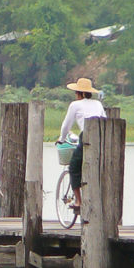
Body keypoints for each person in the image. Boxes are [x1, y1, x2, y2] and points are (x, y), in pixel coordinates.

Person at [55, 77, 106, 211]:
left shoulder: (75, 105)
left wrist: (61, 138)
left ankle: (78, 201)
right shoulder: (98, 104)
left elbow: (66, 125)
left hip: (86, 136)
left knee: (73, 168)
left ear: (80, 93)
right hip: (101, 137)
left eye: (76, 92)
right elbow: (105, 120)